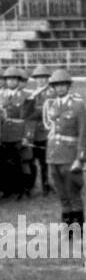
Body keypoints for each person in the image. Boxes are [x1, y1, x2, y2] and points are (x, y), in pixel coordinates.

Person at [44, 69, 86, 229]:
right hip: (54, 156)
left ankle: (77, 231)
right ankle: (67, 231)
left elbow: (85, 133)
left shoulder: (77, 105)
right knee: (62, 196)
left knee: (74, 195)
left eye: (63, 85)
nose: (60, 88)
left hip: (70, 156)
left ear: (68, 86)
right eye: (56, 85)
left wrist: (81, 158)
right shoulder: (51, 105)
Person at [0, 66, 35, 200]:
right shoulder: (1, 95)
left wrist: (27, 136)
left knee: (21, 162)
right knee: (6, 163)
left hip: (19, 132)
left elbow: (30, 119)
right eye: (8, 79)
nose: (11, 82)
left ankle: (23, 189)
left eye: (14, 79)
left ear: (19, 81)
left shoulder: (26, 95)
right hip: (4, 134)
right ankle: (9, 189)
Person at [26, 65, 53, 196]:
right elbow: (25, 112)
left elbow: (45, 111)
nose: (41, 80)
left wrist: (34, 110)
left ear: (48, 78)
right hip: (32, 132)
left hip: (45, 131)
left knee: (44, 161)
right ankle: (31, 185)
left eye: (43, 77)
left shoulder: (51, 92)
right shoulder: (33, 93)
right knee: (31, 160)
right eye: (38, 78)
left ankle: (46, 184)